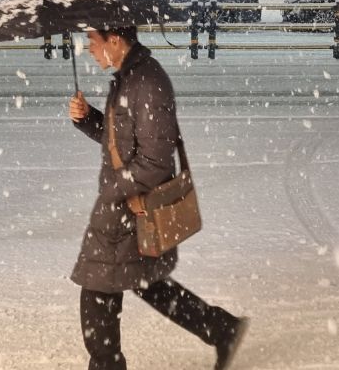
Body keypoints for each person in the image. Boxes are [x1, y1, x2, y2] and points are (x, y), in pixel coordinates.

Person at [69, 26, 249, 370]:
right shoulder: (129, 79)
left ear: (114, 40)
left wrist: (114, 191)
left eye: (93, 39)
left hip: (131, 211)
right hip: (128, 210)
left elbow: (155, 161)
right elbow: (121, 142)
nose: (89, 48)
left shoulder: (147, 83)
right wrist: (88, 118)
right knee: (145, 283)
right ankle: (220, 328)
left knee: (98, 290)